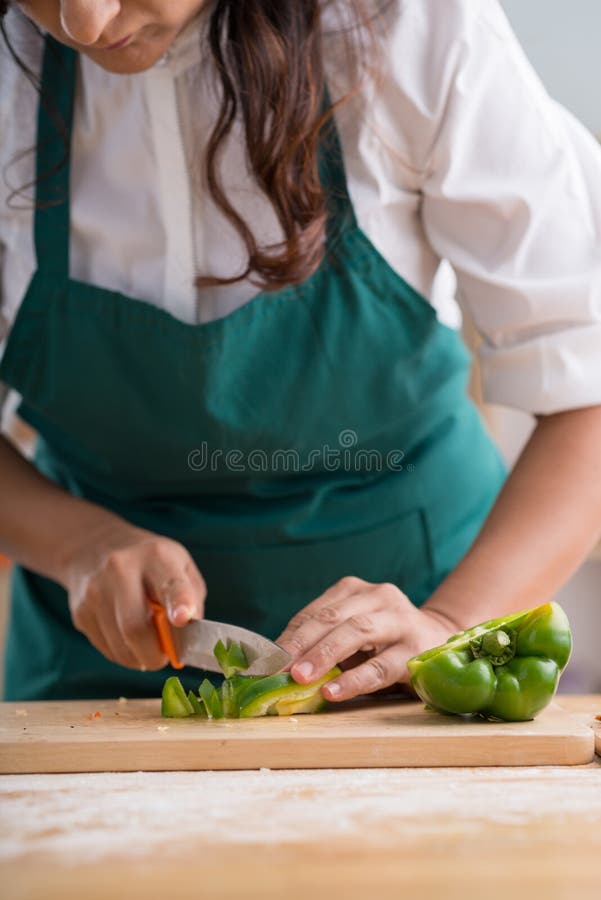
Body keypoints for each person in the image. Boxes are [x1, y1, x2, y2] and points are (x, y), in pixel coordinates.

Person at [1, 0, 600, 703]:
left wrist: (449, 623)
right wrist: (76, 546)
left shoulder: (406, 24)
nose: (84, 22)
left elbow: (585, 392)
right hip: (94, 673)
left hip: (427, 653)